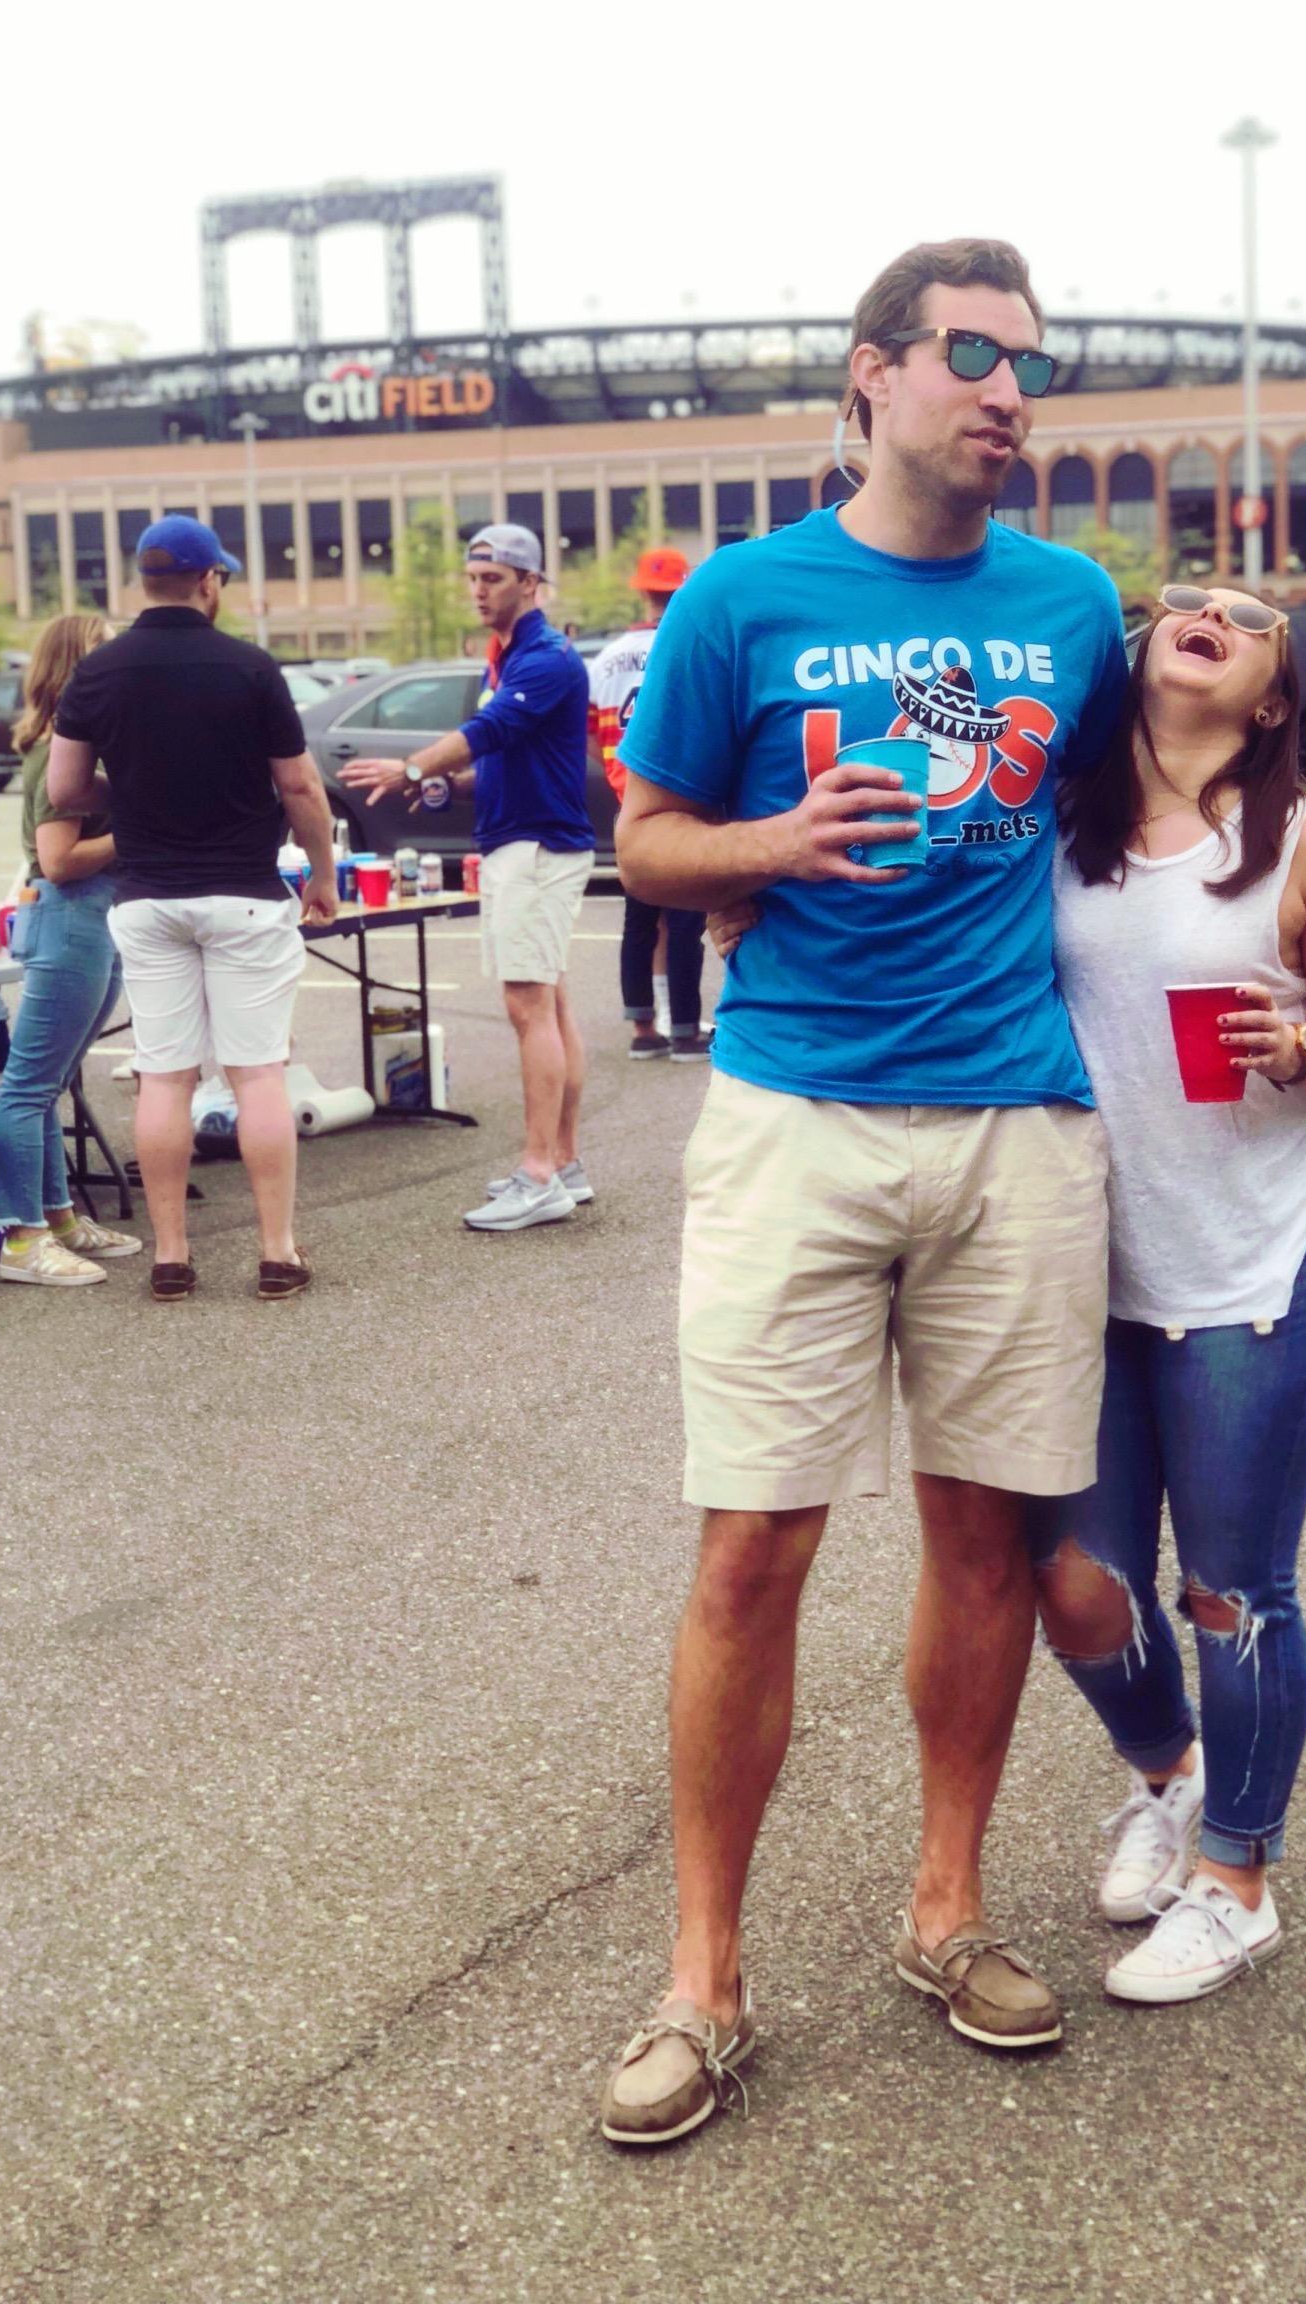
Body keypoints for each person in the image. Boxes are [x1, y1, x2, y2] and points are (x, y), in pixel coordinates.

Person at [595, 237, 1128, 2147]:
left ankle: (944, 1906)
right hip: (794, 1121)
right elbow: (644, 842)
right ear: (870, 374)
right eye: (970, 354)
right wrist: (765, 844)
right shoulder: (741, 595)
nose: (1005, 393)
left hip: (1015, 1126)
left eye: (1029, 365)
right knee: (751, 1546)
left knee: (983, 1541)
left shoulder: (1072, 603)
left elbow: (1135, 817)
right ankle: (701, 1977)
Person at [1030, 581, 1306, 2005]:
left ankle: (1238, 1881)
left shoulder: (1305, 840)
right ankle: (1171, 1776)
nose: (1208, 611)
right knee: (1076, 1589)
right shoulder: (1055, 827)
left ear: (1270, 699)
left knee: (1230, 1592)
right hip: (1082, 1267)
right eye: (1186, 602)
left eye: (1247, 616)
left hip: (1257, 1261)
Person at [46, 516, 338, 1302]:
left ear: (145, 580)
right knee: (257, 1075)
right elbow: (300, 786)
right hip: (243, 898)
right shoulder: (251, 668)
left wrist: (136, 792)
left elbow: (64, 789)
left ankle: (171, 1258)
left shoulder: (98, 672)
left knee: (165, 1077)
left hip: (148, 900)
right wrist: (322, 874)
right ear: (209, 581)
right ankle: (276, 1253)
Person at [341, 526, 596, 1232]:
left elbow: (486, 733)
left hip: (536, 851)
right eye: (473, 578)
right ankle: (564, 1163)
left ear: (530, 583)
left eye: (493, 578)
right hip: (530, 844)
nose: (478, 590)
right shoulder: (509, 656)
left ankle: (539, 1174)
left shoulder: (545, 658)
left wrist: (413, 766)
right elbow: (503, 759)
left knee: (529, 1007)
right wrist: (444, 786)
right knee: (550, 1006)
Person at [0, 613, 145, 1285]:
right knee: (28, 1087)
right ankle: (23, 1239)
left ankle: (57, 1220)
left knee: (49, 1082)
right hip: (71, 916)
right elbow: (58, 860)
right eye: (105, 652)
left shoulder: (79, 745)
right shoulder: (58, 750)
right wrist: (138, 831)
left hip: (90, 917)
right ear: (78, 666)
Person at [588, 546, 710, 1062]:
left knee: (638, 920)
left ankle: (642, 1029)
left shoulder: (607, 658)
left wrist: (619, 775)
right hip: (680, 798)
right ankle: (684, 1030)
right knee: (684, 921)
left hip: (628, 801)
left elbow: (590, 735)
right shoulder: (687, 645)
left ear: (642, 591)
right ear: (682, 589)